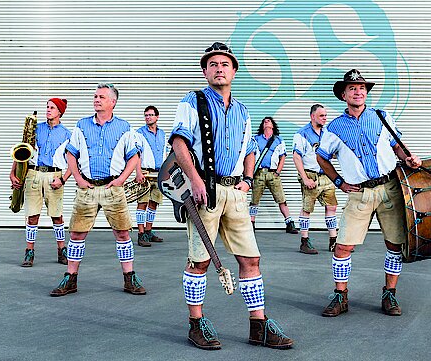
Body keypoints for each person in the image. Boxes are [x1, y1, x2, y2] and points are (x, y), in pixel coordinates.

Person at [169, 42, 293, 350]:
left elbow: (250, 148)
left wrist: (248, 181)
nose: (219, 68)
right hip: (204, 192)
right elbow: (179, 144)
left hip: (235, 192)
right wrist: (196, 181)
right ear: (205, 71)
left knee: (251, 259)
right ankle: (196, 324)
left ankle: (258, 325)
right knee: (199, 262)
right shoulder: (193, 100)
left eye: (224, 64)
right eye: (212, 64)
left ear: (234, 71)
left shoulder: (242, 110)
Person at [316, 69, 422, 317]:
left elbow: (397, 147)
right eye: (352, 88)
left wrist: (409, 158)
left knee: (395, 245)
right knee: (342, 247)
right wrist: (340, 182)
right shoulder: (334, 127)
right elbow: (322, 158)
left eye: (362, 87)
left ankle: (389, 295)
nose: (358, 91)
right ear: (343, 95)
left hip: (390, 189)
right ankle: (340, 297)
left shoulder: (381, 117)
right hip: (359, 193)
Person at [50, 83, 146, 297]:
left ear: (113, 102)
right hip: (87, 188)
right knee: (76, 233)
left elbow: (134, 157)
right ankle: (70, 278)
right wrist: (77, 178)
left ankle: (129, 278)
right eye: (95, 96)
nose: (96, 99)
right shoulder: (82, 125)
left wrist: (121, 179)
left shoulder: (124, 127)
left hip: (113, 188)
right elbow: (70, 154)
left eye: (101, 96)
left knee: (122, 233)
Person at [10, 98, 72, 267]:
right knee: (32, 216)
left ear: (60, 112)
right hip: (34, 174)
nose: (48, 110)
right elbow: (22, 150)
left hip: (54, 176)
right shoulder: (35, 129)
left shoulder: (67, 134)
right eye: (47, 107)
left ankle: (61, 250)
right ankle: (29, 252)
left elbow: (74, 161)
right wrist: (12, 172)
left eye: (52, 107)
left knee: (57, 216)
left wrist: (63, 179)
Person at [292, 104, 338, 255]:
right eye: (321, 116)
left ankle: (333, 241)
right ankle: (304, 241)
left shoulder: (327, 133)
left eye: (325, 115)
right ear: (312, 116)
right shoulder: (302, 134)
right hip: (311, 175)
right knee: (307, 209)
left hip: (326, 175)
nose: (325, 118)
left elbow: (333, 152)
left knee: (331, 207)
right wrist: (304, 178)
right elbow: (297, 156)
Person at [249, 116, 297, 234]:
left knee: (281, 199)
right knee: (254, 200)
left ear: (273, 125)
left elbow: (283, 157)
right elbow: (250, 156)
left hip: (272, 173)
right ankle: (251, 224)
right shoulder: (255, 139)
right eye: (264, 121)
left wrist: (278, 172)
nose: (266, 122)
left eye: (269, 121)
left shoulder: (279, 140)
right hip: (259, 173)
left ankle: (289, 223)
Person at [134, 105, 167, 247]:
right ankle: (141, 234)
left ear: (157, 117)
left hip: (158, 174)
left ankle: (148, 231)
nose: (148, 117)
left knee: (154, 203)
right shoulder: (139, 133)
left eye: (151, 115)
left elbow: (166, 153)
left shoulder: (162, 134)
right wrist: (138, 172)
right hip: (145, 173)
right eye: (146, 115)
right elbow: (136, 154)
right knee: (142, 203)